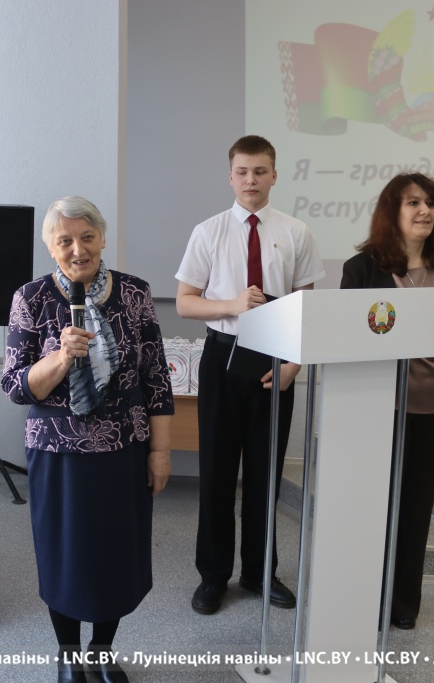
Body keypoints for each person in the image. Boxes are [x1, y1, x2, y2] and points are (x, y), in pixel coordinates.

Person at [2, 196, 174, 683]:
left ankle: (101, 650)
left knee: (116, 554)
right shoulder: (31, 298)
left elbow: (156, 378)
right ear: (51, 247)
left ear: (102, 238)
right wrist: (59, 358)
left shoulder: (135, 293)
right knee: (65, 556)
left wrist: (160, 451)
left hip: (124, 449)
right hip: (58, 453)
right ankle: (68, 654)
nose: (78, 249)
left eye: (87, 237)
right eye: (65, 241)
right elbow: (15, 386)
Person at [176, 135, 325, 615]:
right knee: (217, 474)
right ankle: (213, 576)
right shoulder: (209, 231)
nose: (251, 180)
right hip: (222, 360)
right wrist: (231, 305)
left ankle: (260, 572)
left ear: (274, 175)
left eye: (260, 171)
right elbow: (185, 302)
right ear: (230, 176)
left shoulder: (296, 232)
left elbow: (308, 309)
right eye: (242, 171)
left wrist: (294, 365)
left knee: (265, 474)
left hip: (274, 362)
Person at [340, 172, 434, 630]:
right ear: (392, 212)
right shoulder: (362, 269)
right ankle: (366, 597)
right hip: (382, 408)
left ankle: (403, 604)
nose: (425, 211)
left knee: (417, 509)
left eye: (431, 203)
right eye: (413, 203)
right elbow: (346, 340)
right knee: (376, 506)